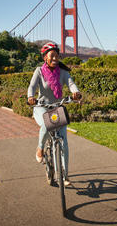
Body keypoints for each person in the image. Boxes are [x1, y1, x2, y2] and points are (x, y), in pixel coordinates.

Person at [27, 42, 81, 186]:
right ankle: (40, 148)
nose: (55, 58)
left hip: (57, 108)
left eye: (57, 56)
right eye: (52, 56)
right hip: (41, 107)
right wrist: (30, 97)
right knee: (47, 123)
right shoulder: (39, 71)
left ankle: (64, 175)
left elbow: (71, 84)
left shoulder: (63, 72)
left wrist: (75, 92)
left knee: (64, 142)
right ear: (45, 57)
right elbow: (32, 86)